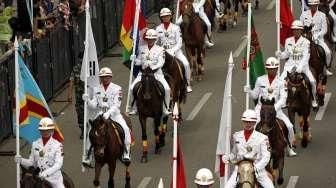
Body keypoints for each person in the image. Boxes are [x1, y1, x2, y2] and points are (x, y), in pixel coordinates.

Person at [246, 57, 297, 156]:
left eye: (274, 68)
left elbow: (283, 98)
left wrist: (274, 108)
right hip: (261, 109)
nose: (272, 70)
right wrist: (249, 91)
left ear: (277, 69)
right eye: (270, 68)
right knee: (251, 124)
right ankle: (250, 148)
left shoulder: (282, 82)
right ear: (266, 69)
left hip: (276, 109)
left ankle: (289, 147)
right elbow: (255, 95)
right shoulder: (260, 80)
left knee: (290, 126)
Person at [82, 67, 131, 164]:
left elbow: (117, 105)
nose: (105, 79)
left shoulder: (117, 88)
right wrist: (87, 100)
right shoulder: (97, 89)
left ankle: (126, 152)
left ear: (111, 77)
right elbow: (93, 105)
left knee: (125, 129)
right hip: (100, 115)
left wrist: (108, 113)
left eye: (107, 77)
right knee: (91, 132)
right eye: (103, 77)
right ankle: (89, 155)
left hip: (114, 115)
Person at [223, 109, 274, 188]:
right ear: (243, 122)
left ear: (254, 122)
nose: (248, 124)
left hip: (257, 170)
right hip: (240, 170)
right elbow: (234, 154)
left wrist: (255, 168)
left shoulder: (263, 138)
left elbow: (266, 157)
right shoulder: (236, 136)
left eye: (250, 122)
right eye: (246, 121)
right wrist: (228, 157)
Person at [129, 29, 172, 115]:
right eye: (148, 39)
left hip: (156, 74)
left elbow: (161, 62)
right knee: (131, 88)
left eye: (152, 39)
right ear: (146, 39)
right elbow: (140, 62)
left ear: (155, 39)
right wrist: (134, 60)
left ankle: (165, 108)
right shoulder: (141, 49)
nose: (150, 40)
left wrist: (151, 68)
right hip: (143, 74)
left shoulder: (161, 49)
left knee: (167, 89)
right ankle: (134, 108)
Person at [276, 20, 318, 108]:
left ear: (301, 30)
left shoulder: (306, 42)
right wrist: (280, 55)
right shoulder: (288, 41)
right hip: (290, 66)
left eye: (298, 30)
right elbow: (286, 54)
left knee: (312, 81)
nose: (296, 31)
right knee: (280, 81)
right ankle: (283, 100)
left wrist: (300, 67)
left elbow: (306, 57)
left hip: (302, 66)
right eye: (294, 30)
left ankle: (313, 98)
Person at [14, 117, 65, 188]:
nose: (45, 132)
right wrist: (21, 160)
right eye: (42, 130)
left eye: (47, 130)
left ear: (52, 130)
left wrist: (46, 173)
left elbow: (58, 164)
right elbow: (32, 163)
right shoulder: (35, 144)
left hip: (54, 179)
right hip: (37, 176)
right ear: (40, 131)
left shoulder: (58, 145)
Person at [156, 7, 192, 93]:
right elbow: (156, 42)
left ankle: (187, 83)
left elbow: (179, 42)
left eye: (167, 16)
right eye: (164, 16)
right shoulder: (158, 29)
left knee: (186, 64)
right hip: (163, 52)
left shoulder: (176, 28)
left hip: (175, 51)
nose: (166, 18)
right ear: (161, 18)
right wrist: (160, 50)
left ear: (171, 16)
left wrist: (173, 50)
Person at [300, 0, 333, 76]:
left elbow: (324, 29)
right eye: (311, 5)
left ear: (317, 5)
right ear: (309, 6)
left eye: (314, 5)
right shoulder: (303, 14)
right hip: (305, 37)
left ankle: (325, 68)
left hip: (318, 38)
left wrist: (317, 35)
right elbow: (300, 27)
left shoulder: (322, 15)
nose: (313, 6)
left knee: (328, 53)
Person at [70, 51, 84, 139]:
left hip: (91, 96)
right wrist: (70, 94)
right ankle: (83, 131)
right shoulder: (76, 69)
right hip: (79, 97)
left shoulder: (90, 67)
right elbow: (71, 81)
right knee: (80, 113)